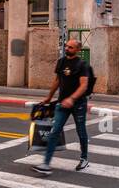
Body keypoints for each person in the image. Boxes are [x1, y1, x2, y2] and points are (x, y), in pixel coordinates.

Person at [32, 39, 91, 175]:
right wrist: (49, 97)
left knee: (81, 131)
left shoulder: (82, 65)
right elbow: (57, 80)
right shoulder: (61, 62)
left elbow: (84, 85)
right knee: (54, 131)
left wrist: (72, 99)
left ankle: (84, 159)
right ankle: (46, 164)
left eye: (70, 47)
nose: (67, 48)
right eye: (66, 46)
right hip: (62, 103)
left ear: (77, 50)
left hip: (78, 104)